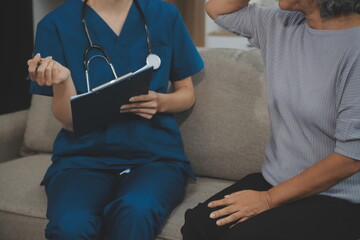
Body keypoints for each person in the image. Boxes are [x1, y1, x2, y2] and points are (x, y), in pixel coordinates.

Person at [181, 0, 360, 239]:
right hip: (277, 179)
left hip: (339, 196)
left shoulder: (355, 49)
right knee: (197, 225)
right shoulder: (280, 23)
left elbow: (350, 159)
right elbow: (217, 8)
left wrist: (267, 199)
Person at [27, 0, 203, 239]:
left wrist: (161, 102)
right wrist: (63, 81)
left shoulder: (165, 15)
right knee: (70, 225)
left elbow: (187, 94)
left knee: (136, 211)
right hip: (82, 159)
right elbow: (69, 122)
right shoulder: (55, 24)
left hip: (154, 158)